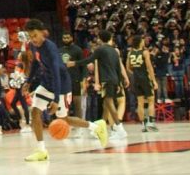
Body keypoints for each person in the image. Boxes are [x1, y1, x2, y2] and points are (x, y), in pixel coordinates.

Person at [20, 19, 108, 162]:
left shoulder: (51, 48)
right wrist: (28, 81)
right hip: (46, 82)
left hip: (61, 85)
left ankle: (96, 127)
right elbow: (36, 62)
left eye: (35, 35)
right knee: (35, 111)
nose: (33, 39)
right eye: (30, 36)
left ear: (43, 33)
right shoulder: (32, 45)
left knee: (63, 119)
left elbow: (56, 73)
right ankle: (41, 151)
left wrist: (55, 100)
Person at [92, 29, 128, 142]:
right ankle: (113, 127)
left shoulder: (100, 51)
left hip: (109, 79)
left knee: (109, 104)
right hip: (114, 78)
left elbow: (97, 68)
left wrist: (97, 82)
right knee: (111, 104)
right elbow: (120, 66)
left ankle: (113, 127)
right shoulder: (114, 51)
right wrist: (125, 77)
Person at [126, 35, 158, 132]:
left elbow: (128, 67)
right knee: (151, 100)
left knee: (140, 102)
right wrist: (154, 81)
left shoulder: (130, 53)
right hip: (145, 78)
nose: (144, 42)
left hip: (136, 79)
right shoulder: (145, 52)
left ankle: (143, 125)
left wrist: (136, 73)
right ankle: (151, 123)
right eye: (142, 41)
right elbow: (149, 67)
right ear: (140, 42)